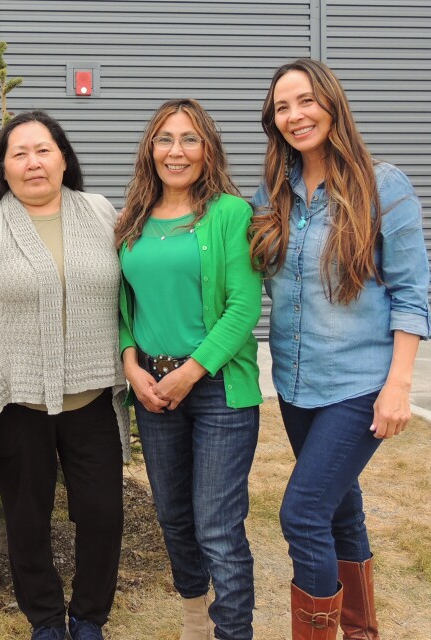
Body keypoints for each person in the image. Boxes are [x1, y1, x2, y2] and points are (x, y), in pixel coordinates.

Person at [250, 58, 430, 640]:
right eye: (282, 107)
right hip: (297, 384)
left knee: (301, 515)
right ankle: (360, 632)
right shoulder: (272, 191)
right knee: (339, 508)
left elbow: (412, 292)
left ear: (332, 105)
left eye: (305, 101)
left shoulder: (383, 185)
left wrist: (399, 384)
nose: (295, 115)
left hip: (360, 384)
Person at [0, 110, 131, 640]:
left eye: (43, 150)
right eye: (19, 153)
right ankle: (47, 619)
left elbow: (135, 288)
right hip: (18, 402)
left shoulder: (101, 213)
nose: (33, 163)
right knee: (27, 522)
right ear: (2, 168)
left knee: (102, 514)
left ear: (64, 158)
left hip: (93, 399)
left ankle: (90, 616)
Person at [116, 99, 262, 640]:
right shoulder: (131, 218)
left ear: (208, 150)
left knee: (218, 525)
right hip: (152, 388)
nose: (176, 151)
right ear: (149, 149)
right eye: (164, 139)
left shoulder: (229, 213)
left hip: (218, 388)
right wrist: (131, 363)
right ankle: (195, 618)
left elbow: (244, 308)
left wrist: (192, 371)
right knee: (174, 518)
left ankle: (232, 632)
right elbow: (123, 304)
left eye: (189, 139)